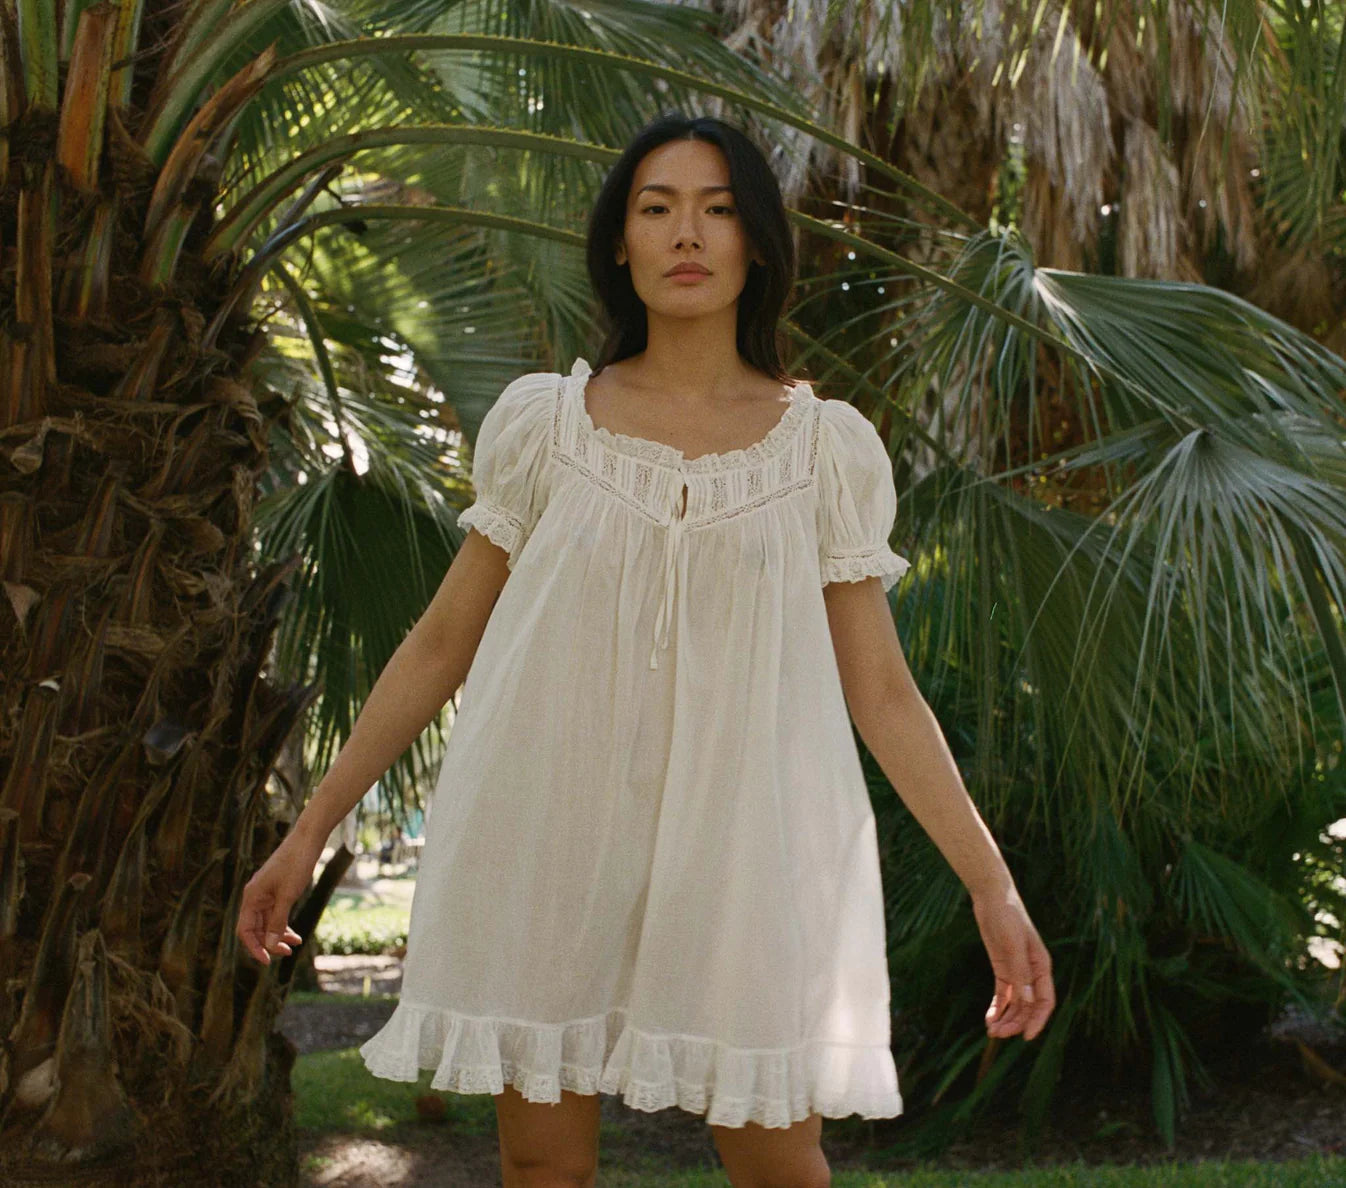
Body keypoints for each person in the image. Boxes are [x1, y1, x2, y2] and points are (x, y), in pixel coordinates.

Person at [238, 111, 1054, 1188]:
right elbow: (440, 643)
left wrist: (989, 887)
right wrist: (309, 831)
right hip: (545, 831)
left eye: (717, 210)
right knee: (541, 1168)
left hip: (748, 855)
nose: (686, 233)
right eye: (655, 208)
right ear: (618, 244)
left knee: (779, 1163)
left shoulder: (825, 451)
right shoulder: (545, 427)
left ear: (755, 242)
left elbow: (882, 693)